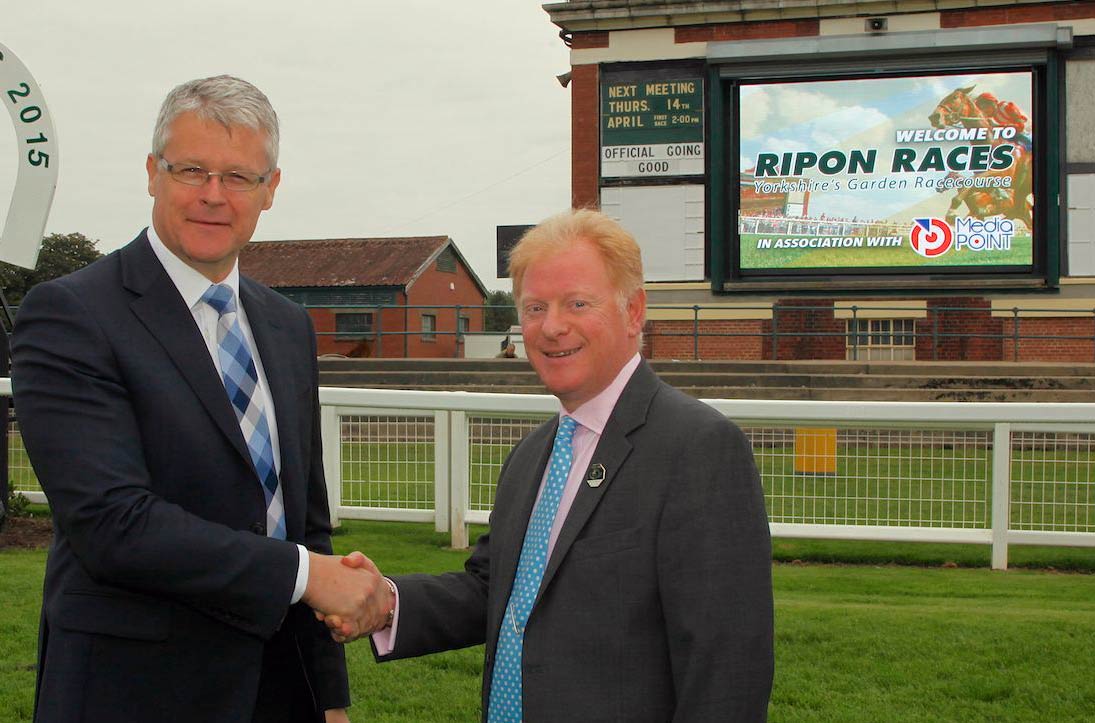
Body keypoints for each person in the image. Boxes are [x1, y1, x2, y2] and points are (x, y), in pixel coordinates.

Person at [12, 75, 391, 723]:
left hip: (277, 688)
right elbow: (112, 523)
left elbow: (306, 522)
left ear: (270, 190)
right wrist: (304, 575)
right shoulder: (72, 313)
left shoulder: (286, 326)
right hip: (132, 689)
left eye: (239, 176)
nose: (213, 195)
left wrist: (328, 696)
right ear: (152, 172)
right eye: (192, 170)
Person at [348, 209, 774, 721]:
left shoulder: (698, 448)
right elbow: (497, 591)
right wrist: (386, 602)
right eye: (534, 308)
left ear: (634, 311)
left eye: (577, 303)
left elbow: (726, 666)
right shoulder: (533, 454)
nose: (552, 327)